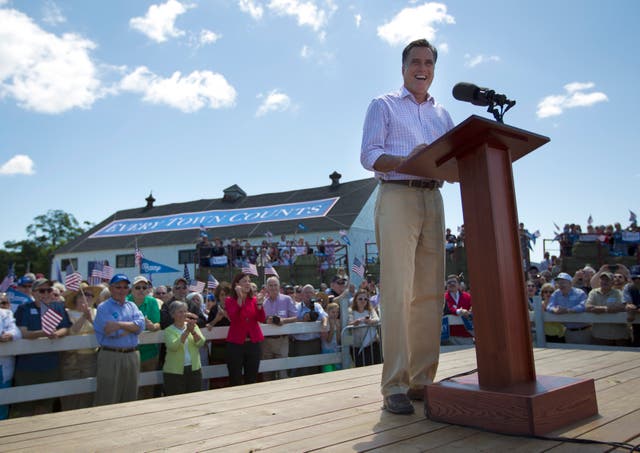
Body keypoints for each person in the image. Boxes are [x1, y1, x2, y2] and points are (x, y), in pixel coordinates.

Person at [360, 38, 454, 414]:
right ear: (403, 68)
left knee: (431, 293)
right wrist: (407, 159)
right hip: (397, 193)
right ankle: (394, 385)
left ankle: (422, 381)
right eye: (415, 61)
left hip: (434, 198)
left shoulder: (443, 115)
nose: (422, 67)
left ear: (434, 69)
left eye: (429, 62)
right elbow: (369, 156)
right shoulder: (382, 105)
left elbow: (454, 159)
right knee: (398, 292)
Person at [12, 278, 71, 417]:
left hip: (51, 365)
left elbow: (66, 328)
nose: (46, 293)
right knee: (25, 408)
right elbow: (23, 332)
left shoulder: (58, 307)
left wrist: (57, 333)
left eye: (49, 290)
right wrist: (44, 332)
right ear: (33, 293)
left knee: (46, 407)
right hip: (27, 367)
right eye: (42, 290)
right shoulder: (24, 309)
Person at [93, 274, 145, 406]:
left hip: (132, 354)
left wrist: (120, 324)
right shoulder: (103, 307)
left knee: (130, 395)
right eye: (118, 287)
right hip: (111, 355)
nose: (122, 290)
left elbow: (140, 326)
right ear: (111, 288)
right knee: (108, 396)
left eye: (125, 287)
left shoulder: (132, 306)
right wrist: (131, 327)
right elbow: (111, 332)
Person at [60, 283, 100, 411]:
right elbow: (71, 332)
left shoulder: (96, 312)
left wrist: (90, 318)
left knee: (88, 391)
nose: (88, 297)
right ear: (76, 298)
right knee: (70, 390)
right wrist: (84, 317)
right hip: (71, 358)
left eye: (90, 295)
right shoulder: (67, 313)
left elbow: (101, 332)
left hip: (91, 356)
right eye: (84, 294)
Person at [224, 273, 265, 386]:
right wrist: (240, 298)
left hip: (253, 344)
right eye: (244, 281)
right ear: (237, 285)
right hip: (236, 345)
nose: (248, 283)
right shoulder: (229, 300)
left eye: (249, 281)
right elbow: (233, 317)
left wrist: (260, 305)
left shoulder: (254, 300)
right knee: (235, 378)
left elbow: (261, 319)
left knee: (251, 378)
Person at [126, 276, 161, 399]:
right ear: (132, 289)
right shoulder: (125, 302)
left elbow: (159, 323)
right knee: (132, 387)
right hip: (130, 352)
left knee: (148, 388)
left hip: (150, 353)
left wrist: (152, 326)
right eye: (138, 287)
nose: (141, 290)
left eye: (144, 287)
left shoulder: (152, 302)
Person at [163, 301, 205, 395]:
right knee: (176, 399)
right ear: (173, 314)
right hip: (174, 372)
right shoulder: (168, 330)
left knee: (194, 398)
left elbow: (201, 342)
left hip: (194, 369)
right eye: (180, 312)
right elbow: (173, 346)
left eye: (185, 311)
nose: (183, 314)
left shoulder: (193, 326)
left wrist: (193, 332)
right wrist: (186, 332)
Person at [261, 276, 298, 380]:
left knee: (283, 373)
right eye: (270, 285)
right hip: (266, 342)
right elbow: (259, 320)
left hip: (282, 340)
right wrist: (266, 320)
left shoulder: (287, 299)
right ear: (267, 288)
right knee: (267, 374)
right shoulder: (263, 302)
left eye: (275, 285)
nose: (273, 288)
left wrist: (283, 321)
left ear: (279, 286)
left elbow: (295, 317)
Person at [291, 284, 328, 376]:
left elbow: (324, 316)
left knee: (315, 369)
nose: (308, 295)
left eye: (310, 292)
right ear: (302, 295)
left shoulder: (317, 306)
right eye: (306, 292)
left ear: (314, 294)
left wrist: (324, 325)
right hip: (301, 344)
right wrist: (303, 319)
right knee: (303, 370)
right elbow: (292, 320)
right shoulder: (297, 307)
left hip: (315, 342)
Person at [546, 272, 590, 344]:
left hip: (583, 331)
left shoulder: (580, 293)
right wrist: (554, 310)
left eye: (563, 282)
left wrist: (568, 310)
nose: (560, 285)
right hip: (568, 332)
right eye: (559, 283)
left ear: (570, 283)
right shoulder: (556, 293)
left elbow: (583, 306)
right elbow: (549, 306)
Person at [586, 272, 628, 346]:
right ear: (599, 282)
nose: (604, 282)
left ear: (612, 282)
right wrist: (610, 309)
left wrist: (604, 309)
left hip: (618, 335)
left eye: (607, 280)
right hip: (599, 335)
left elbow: (622, 307)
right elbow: (588, 307)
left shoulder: (618, 293)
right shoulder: (593, 292)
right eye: (602, 280)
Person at [347, 289, 382, 367]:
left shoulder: (370, 310)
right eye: (360, 299)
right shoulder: (350, 311)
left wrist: (370, 321)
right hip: (357, 346)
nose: (363, 301)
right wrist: (357, 322)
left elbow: (377, 319)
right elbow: (349, 323)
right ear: (355, 300)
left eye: (365, 299)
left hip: (371, 344)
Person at [0, 293, 21, 420]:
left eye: (5, 303)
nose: (2, 306)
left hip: (4, 366)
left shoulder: (8, 314)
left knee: (3, 402)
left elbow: (16, 332)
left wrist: (9, 335)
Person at [443, 275, 474, 345]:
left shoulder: (468, 296)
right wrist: (460, 311)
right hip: (450, 337)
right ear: (446, 285)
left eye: (454, 282)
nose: (451, 284)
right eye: (449, 282)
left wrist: (470, 312)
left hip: (467, 335)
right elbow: (448, 309)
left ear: (459, 284)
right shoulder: (443, 298)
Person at [321, 302, 341, 372]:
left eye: (337, 312)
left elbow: (338, 341)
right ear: (327, 312)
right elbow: (328, 340)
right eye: (333, 312)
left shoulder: (338, 322)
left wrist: (338, 329)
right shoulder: (325, 322)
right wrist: (332, 327)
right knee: (328, 371)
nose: (335, 314)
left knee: (338, 371)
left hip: (336, 350)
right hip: (327, 350)